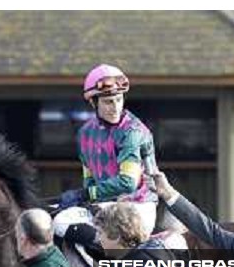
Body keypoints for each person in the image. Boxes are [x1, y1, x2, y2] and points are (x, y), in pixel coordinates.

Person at [54, 64, 159, 254]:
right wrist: (85, 198)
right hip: (106, 206)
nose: (115, 107)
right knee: (55, 218)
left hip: (137, 207)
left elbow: (128, 183)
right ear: (94, 103)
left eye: (119, 100)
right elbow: (90, 178)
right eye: (108, 102)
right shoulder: (85, 134)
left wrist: (84, 194)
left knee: (65, 221)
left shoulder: (132, 131)